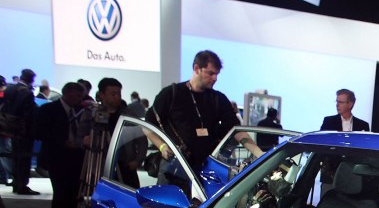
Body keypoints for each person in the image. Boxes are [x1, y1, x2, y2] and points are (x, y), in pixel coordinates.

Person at [146, 50, 264, 178]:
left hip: (206, 170)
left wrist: (260, 154)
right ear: (197, 68)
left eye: (217, 74)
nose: (215, 78)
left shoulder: (218, 99)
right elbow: (147, 125)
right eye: (211, 73)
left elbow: (237, 131)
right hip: (176, 169)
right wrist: (162, 146)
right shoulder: (172, 94)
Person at [34, 81, 87, 208]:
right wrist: (61, 141)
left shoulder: (82, 111)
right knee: (60, 194)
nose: (79, 99)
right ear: (68, 94)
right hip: (57, 158)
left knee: (73, 195)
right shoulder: (49, 110)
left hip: (77, 158)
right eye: (77, 96)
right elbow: (40, 132)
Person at [78, 77, 143, 189]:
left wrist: (138, 160)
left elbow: (141, 139)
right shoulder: (91, 114)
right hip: (98, 165)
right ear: (102, 95)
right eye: (113, 94)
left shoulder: (128, 115)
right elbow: (79, 137)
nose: (117, 97)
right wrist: (84, 140)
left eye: (119, 94)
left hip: (124, 166)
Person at [2, 68, 38, 194]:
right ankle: (22, 185)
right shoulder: (27, 93)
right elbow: (28, 114)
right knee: (24, 158)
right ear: (31, 79)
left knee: (15, 157)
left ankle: (16, 183)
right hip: (24, 130)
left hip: (10, 128)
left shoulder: (10, 89)